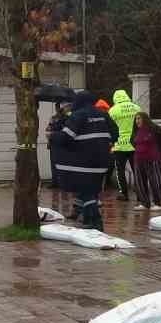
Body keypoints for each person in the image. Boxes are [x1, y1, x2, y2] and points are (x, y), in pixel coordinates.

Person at [52, 91, 116, 230]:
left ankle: (94, 221)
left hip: (84, 161)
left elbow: (66, 138)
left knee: (86, 191)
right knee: (91, 191)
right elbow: (115, 134)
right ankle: (86, 217)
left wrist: (53, 137)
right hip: (103, 161)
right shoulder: (103, 114)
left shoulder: (78, 115)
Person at [129, 112, 161, 210]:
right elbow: (132, 141)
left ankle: (159, 203)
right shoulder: (136, 131)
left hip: (153, 159)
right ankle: (145, 203)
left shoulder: (153, 128)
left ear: (145, 119)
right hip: (138, 159)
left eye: (139, 118)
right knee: (140, 181)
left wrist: (155, 147)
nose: (137, 121)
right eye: (136, 119)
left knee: (155, 181)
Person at [107, 89, 141, 201]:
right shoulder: (136, 108)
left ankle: (124, 194)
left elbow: (110, 128)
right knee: (137, 170)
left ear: (115, 98)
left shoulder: (112, 111)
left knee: (120, 171)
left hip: (119, 145)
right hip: (134, 144)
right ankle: (140, 194)